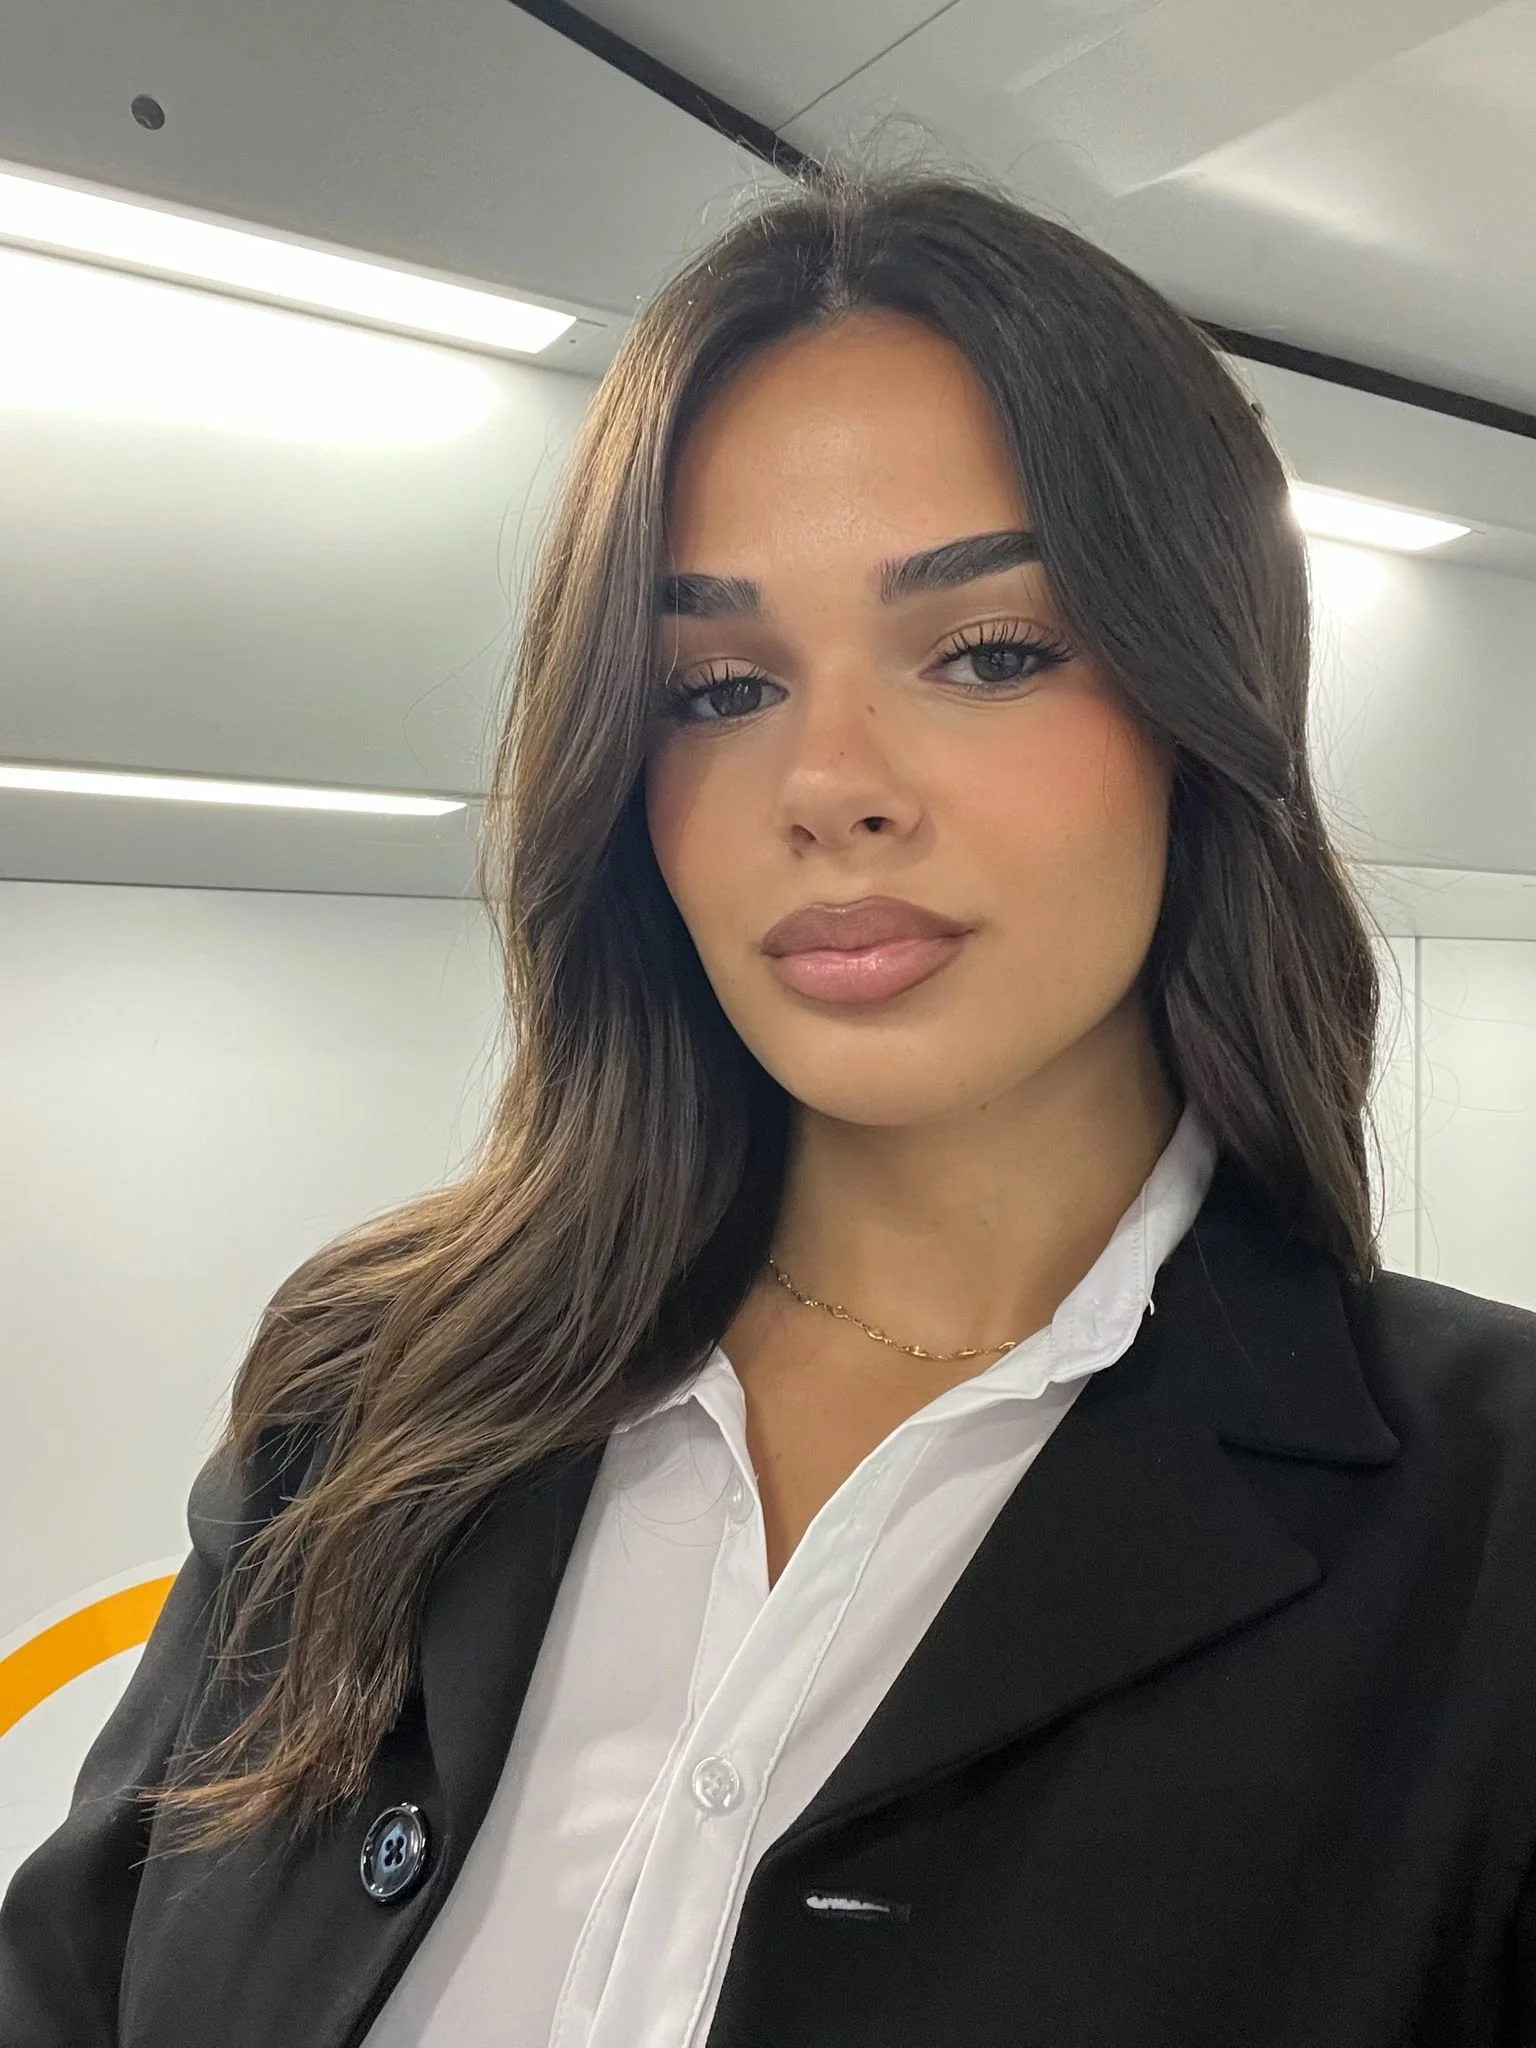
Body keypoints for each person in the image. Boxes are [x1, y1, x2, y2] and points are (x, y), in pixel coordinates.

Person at [3, 161, 1535, 2048]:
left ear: (1202, 711)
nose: (828, 784)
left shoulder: (1490, 1528)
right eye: (716, 685)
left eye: (987, 652)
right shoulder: (376, 1387)